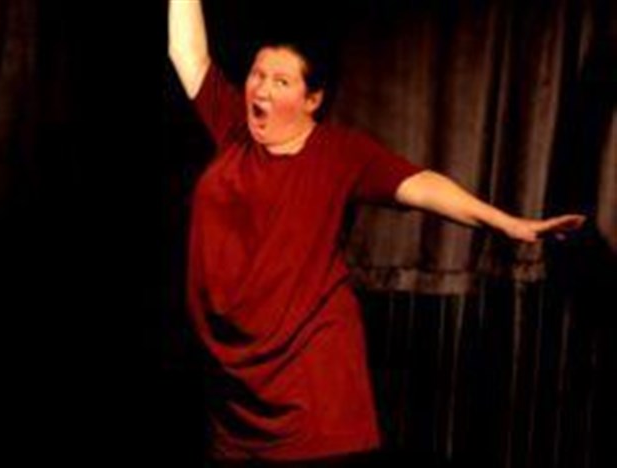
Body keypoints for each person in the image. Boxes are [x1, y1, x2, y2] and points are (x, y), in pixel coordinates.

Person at [167, 0, 586, 465]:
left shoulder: (340, 154)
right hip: (235, 385)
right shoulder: (233, 129)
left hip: (310, 379)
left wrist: (507, 223)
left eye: (281, 81)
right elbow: (187, 51)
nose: (261, 89)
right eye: (257, 75)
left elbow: (424, 187)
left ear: (312, 99)